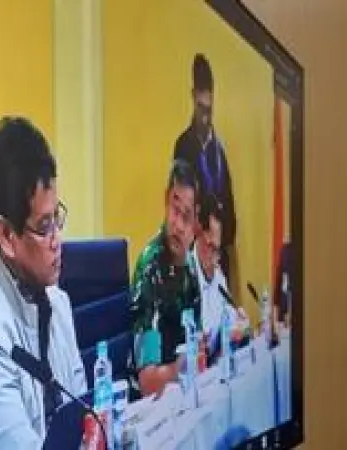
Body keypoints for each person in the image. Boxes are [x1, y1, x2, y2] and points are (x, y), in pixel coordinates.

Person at [0, 117, 86, 449]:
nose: (58, 240)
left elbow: (85, 417)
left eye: (57, 218)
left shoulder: (56, 300)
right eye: (44, 226)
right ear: (7, 235)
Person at [128, 159, 202, 398]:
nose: (177, 225)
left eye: (186, 216)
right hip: (150, 407)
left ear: (197, 225)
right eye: (174, 209)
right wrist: (184, 366)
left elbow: (196, 345)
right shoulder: (150, 269)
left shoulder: (190, 267)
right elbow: (148, 383)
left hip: (181, 395)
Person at [173, 53, 236, 282]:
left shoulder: (219, 151)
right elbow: (180, 209)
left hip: (219, 258)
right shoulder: (183, 146)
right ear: (193, 97)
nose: (205, 119)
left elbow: (229, 208)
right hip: (194, 258)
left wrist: (221, 239)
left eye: (209, 110)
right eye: (201, 109)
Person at [190, 194, 249, 364]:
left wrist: (238, 326)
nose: (215, 258)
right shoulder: (185, 279)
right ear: (197, 235)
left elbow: (229, 319)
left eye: (218, 249)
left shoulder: (218, 276)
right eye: (210, 247)